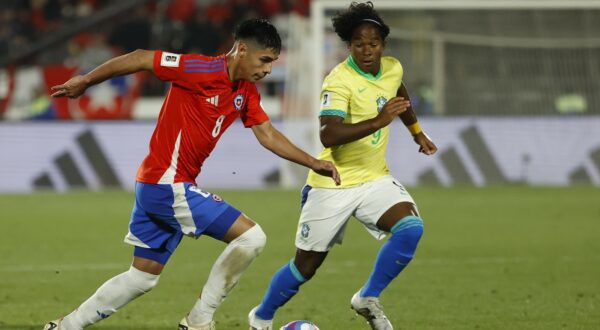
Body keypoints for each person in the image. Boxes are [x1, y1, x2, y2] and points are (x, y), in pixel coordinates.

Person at [43, 18, 340, 330]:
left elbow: (267, 134)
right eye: (264, 60)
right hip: (166, 183)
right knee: (251, 238)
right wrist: (87, 81)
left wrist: (313, 162)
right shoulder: (199, 69)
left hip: (158, 184)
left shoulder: (246, 92)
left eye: (272, 63)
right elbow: (142, 57)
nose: (268, 70)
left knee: (141, 277)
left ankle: (65, 326)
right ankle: (199, 321)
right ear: (240, 50)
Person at [248, 3, 437, 330]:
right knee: (305, 266)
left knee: (410, 229)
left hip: (374, 179)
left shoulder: (392, 68)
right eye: (359, 44)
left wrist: (417, 133)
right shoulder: (339, 81)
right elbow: (328, 134)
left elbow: (398, 92)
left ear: (383, 45)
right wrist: (379, 121)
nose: (367, 50)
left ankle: (367, 297)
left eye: (373, 43)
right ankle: (261, 317)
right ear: (349, 46)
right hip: (332, 183)